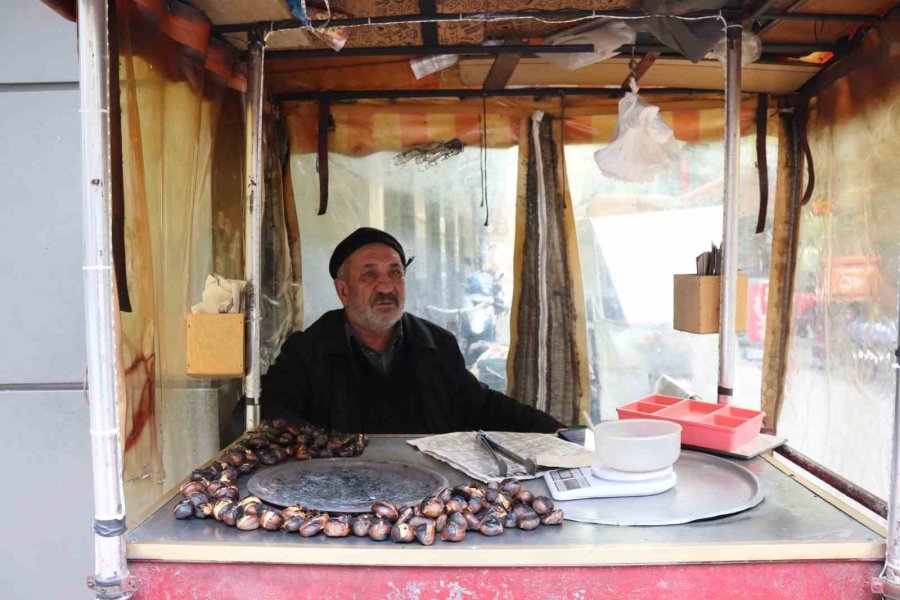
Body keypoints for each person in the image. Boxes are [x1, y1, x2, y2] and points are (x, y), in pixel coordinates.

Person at [244, 227, 563, 435]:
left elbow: (484, 406)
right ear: (343, 291)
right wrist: (325, 449)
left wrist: (556, 432)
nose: (386, 287)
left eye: (395, 273)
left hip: (429, 501)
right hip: (341, 495)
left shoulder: (437, 346)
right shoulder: (307, 352)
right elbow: (274, 413)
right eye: (369, 275)